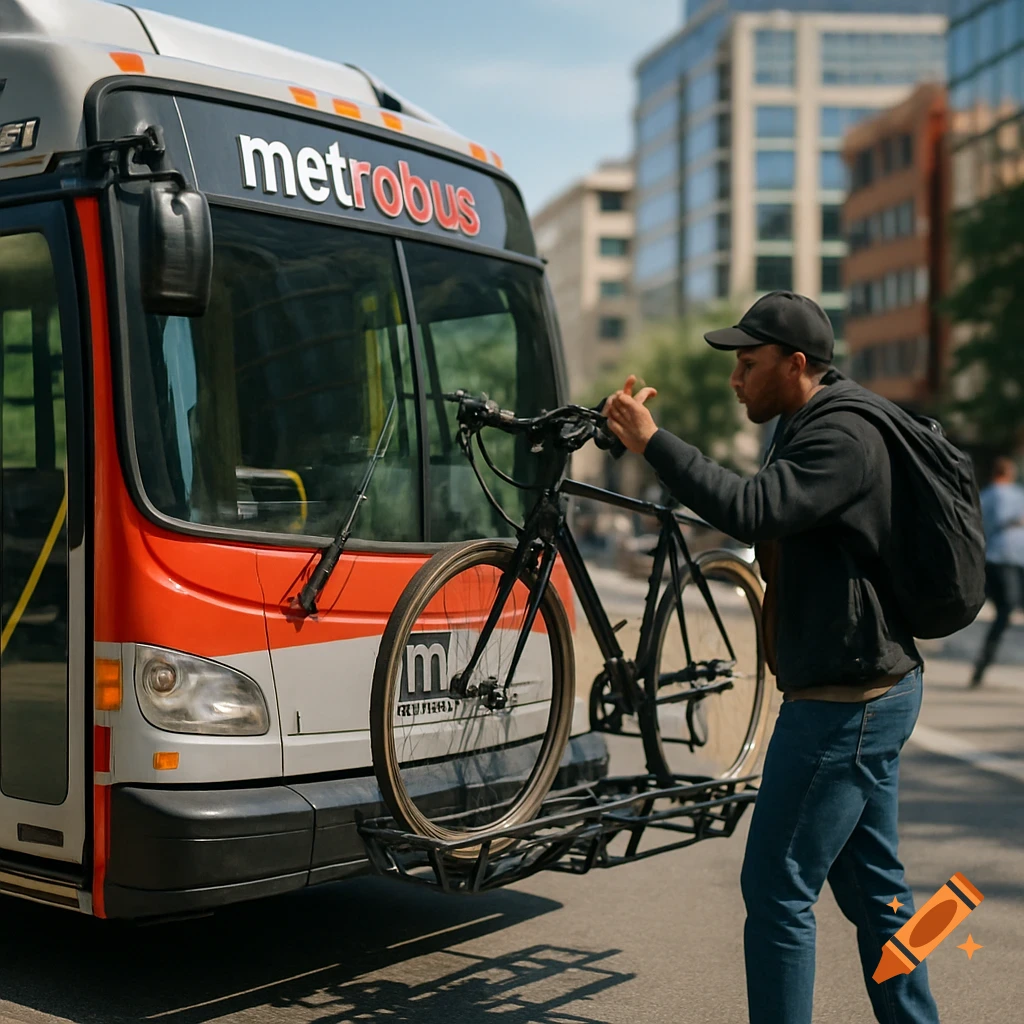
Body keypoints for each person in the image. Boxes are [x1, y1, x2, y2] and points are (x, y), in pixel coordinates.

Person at [603, 291, 940, 1024]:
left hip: (844, 703)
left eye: (747, 364)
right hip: (869, 689)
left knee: (778, 889)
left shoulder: (839, 436)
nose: (735, 378)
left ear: (795, 364)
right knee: (875, 892)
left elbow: (755, 511)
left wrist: (654, 443)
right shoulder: (812, 422)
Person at [971, 456, 1024, 686]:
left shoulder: (987, 494)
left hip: (992, 559)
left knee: (997, 609)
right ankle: (983, 663)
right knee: (1005, 611)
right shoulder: (1014, 495)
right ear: (1010, 474)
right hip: (1012, 560)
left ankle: (983, 663)